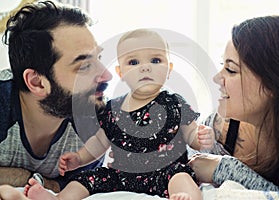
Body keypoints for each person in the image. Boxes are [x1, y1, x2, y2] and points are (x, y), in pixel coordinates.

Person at [24, 29, 216, 200]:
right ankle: (58, 198)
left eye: (156, 60)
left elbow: (191, 134)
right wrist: (79, 159)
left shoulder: (174, 103)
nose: (145, 67)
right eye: (133, 62)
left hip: (164, 172)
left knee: (181, 176)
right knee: (85, 179)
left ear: (169, 70)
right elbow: (100, 142)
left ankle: (187, 197)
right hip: (121, 175)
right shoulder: (113, 108)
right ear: (120, 72)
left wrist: (201, 138)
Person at [0, 0, 112, 192]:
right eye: (84, 66)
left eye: (98, 59)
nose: (106, 76)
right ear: (37, 82)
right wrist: (30, 179)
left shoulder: (96, 118)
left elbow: (75, 190)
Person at [188, 15, 279, 194]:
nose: (217, 78)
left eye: (231, 70)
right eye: (222, 65)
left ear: (273, 83)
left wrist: (226, 168)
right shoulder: (219, 129)